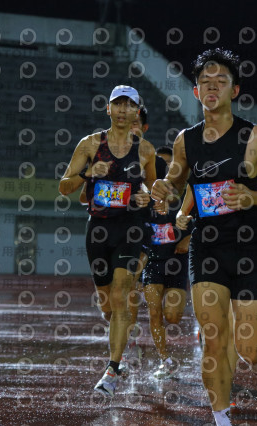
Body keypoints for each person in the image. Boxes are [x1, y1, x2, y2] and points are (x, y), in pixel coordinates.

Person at [151, 48, 257, 426]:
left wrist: (252, 197)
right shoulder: (186, 140)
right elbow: (175, 180)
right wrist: (164, 189)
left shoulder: (255, 137)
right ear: (196, 92)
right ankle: (221, 417)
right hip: (207, 247)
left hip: (250, 248)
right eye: (205, 83)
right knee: (214, 338)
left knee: (249, 348)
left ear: (235, 90)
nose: (212, 88)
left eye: (221, 82)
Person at [58, 85, 156, 397]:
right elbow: (64, 187)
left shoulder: (146, 150)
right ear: (108, 108)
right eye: (118, 104)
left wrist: (147, 197)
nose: (124, 110)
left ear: (137, 110)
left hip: (130, 227)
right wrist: (88, 173)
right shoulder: (89, 144)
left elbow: (156, 191)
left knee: (121, 292)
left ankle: (112, 369)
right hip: (98, 231)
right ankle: (121, 340)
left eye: (130, 105)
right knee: (108, 306)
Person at [142, 146, 192, 379]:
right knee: (154, 314)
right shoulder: (143, 198)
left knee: (172, 316)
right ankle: (165, 360)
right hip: (153, 261)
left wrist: (188, 239)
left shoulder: (181, 195)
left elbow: (196, 220)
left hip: (176, 261)